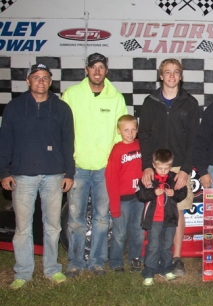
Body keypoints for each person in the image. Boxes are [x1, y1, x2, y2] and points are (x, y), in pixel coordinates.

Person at [0, 63, 75, 289]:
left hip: (54, 175)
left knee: (53, 226)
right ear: (28, 81)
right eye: (36, 77)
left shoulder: (61, 108)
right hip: (22, 176)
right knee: (22, 227)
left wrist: (69, 172)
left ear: (50, 82)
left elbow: (68, 143)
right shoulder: (14, 108)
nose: (41, 81)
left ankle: (52, 269)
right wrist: (4, 171)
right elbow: (5, 142)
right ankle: (23, 272)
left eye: (45, 78)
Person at [62, 53, 127, 278]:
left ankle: (98, 261)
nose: (97, 71)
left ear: (106, 71)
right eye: (93, 67)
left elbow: (121, 135)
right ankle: (75, 261)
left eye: (101, 67)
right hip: (78, 167)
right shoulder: (71, 95)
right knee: (75, 218)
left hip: (104, 169)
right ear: (86, 70)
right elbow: (62, 131)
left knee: (102, 218)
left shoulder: (116, 97)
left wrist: (115, 165)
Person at [139, 58, 199, 276]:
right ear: (161, 76)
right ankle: (151, 258)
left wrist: (185, 170)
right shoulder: (150, 102)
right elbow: (143, 136)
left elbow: (194, 139)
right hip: (155, 167)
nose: (172, 76)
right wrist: (147, 167)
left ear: (181, 76)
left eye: (176, 72)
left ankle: (176, 259)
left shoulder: (190, 103)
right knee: (154, 210)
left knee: (178, 210)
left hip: (179, 167)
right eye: (168, 72)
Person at [136, 149, 187, 286]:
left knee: (166, 245)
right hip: (154, 220)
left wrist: (174, 193)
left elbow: (183, 193)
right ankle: (149, 272)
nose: (163, 171)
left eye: (166, 168)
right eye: (160, 168)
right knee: (153, 246)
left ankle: (166, 269)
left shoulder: (173, 178)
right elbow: (140, 195)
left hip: (170, 219)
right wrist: (153, 192)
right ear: (153, 165)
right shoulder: (149, 178)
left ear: (170, 166)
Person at [105, 115, 144, 273]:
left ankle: (135, 259)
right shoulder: (117, 150)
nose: (130, 133)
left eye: (133, 129)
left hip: (139, 197)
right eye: (126, 130)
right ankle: (116, 261)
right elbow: (111, 179)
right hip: (122, 200)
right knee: (119, 232)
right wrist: (114, 206)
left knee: (138, 230)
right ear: (118, 131)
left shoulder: (141, 145)